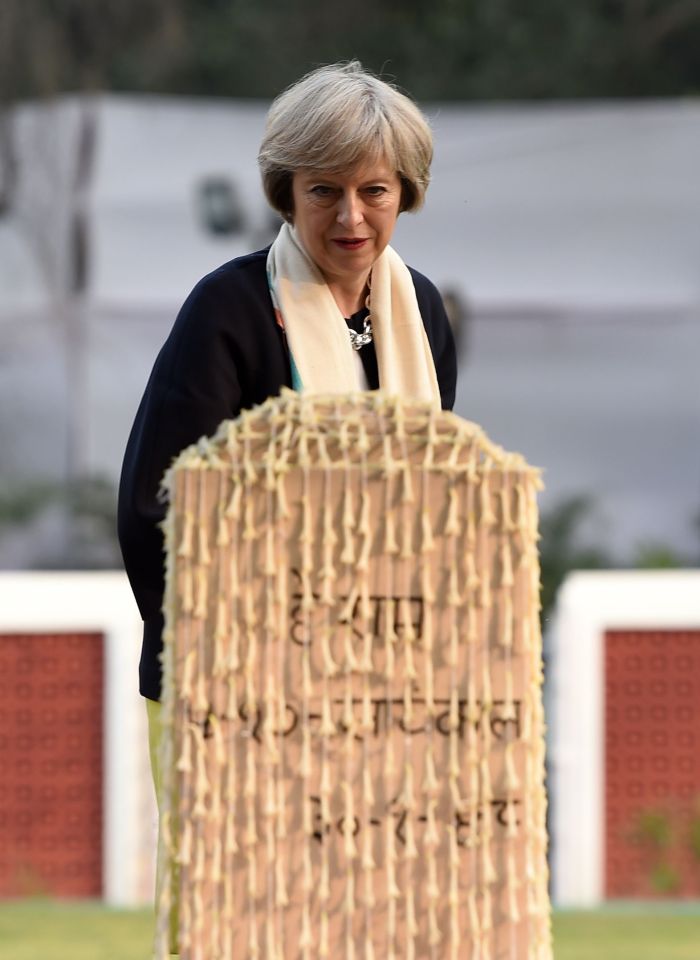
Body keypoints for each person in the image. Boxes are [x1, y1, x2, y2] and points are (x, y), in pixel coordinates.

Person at [117, 60, 457, 952]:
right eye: (324, 192)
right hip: (233, 684)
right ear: (285, 192)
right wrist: (250, 654)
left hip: (381, 691)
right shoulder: (227, 311)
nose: (351, 218)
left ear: (405, 193)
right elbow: (156, 506)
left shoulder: (421, 313)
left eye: (373, 191)